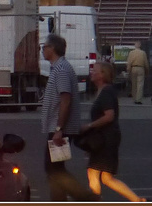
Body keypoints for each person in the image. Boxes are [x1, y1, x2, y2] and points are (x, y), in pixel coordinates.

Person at [79, 59, 141, 201]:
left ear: (102, 74)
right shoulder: (104, 91)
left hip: (105, 139)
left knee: (93, 171)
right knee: (106, 177)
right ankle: (138, 201)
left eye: (94, 70)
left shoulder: (106, 92)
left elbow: (109, 116)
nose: (91, 72)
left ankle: (96, 200)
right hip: (107, 137)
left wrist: (89, 126)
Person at [40, 34, 92, 201]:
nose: (43, 49)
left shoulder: (61, 69)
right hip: (59, 127)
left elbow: (65, 100)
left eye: (45, 46)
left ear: (53, 48)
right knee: (56, 168)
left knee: (53, 168)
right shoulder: (59, 68)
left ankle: (85, 197)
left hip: (60, 128)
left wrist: (58, 129)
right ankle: (60, 200)